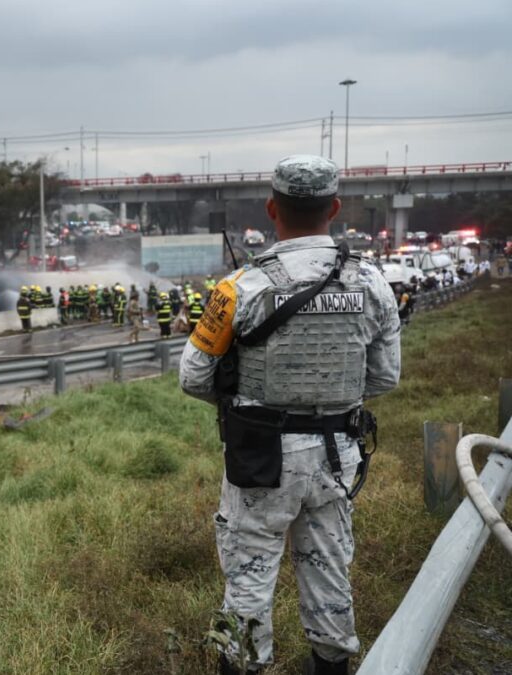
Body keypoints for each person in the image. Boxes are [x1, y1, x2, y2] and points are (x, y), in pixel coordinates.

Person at [179, 155, 401, 675]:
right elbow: (386, 377)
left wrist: (245, 400)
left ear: (272, 209)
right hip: (336, 455)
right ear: (337, 208)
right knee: (328, 572)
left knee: (250, 578)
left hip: (261, 459)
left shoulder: (238, 288)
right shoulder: (371, 283)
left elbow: (193, 377)